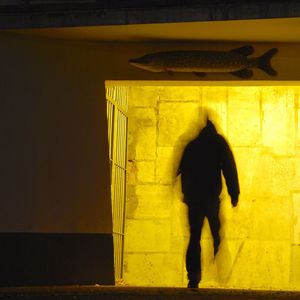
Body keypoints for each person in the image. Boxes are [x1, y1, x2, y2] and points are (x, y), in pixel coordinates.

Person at [177, 119, 240, 288]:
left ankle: (194, 276)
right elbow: (229, 168)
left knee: (194, 236)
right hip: (211, 197)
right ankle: (218, 248)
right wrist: (234, 193)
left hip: (194, 199)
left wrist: (182, 190)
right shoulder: (218, 143)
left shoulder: (193, 145)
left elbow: (180, 168)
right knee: (216, 229)